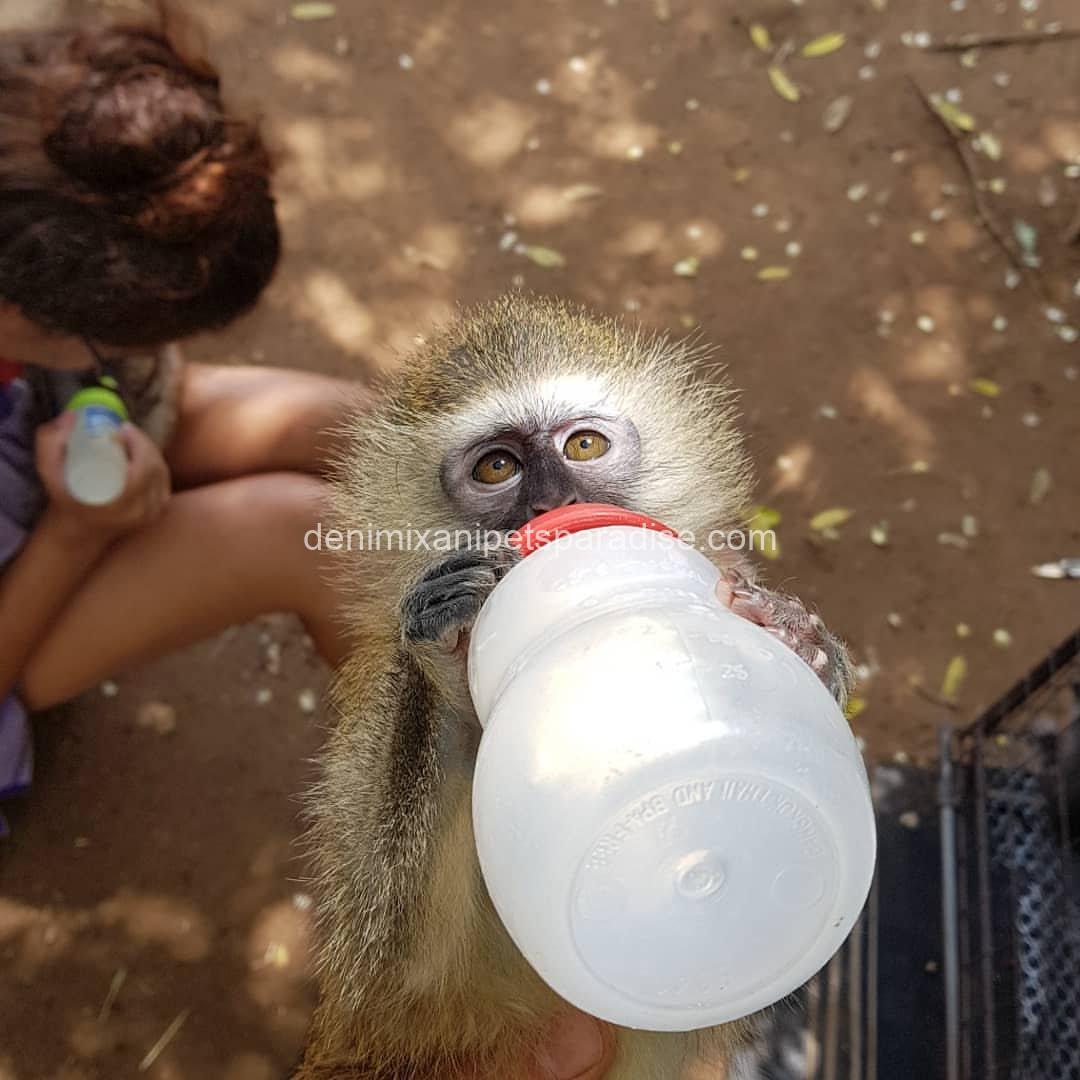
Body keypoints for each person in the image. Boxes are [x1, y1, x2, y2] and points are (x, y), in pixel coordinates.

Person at [0, 18, 357, 835]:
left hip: (50, 449)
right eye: (133, 336)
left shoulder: (23, 168)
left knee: (376, 435)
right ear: (31, 310)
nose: (161, 353)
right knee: (311, 538)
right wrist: (74, 537)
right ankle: (495, 783)